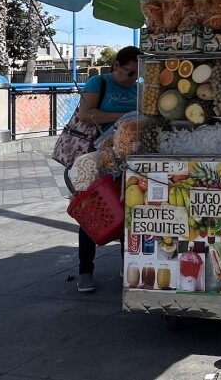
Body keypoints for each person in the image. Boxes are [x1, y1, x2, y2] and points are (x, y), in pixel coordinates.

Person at [75, 45, 141, 293]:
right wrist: (125, 115)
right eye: (129, 72)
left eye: (136, 75)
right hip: (96, 158)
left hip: (125, 161)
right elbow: (85, 114)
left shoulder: (136, 89)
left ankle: (128, 265)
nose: (132, 78)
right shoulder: (98, 82)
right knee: (92, 211)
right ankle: (85, 270)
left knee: (126, 211)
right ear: (116, 66)